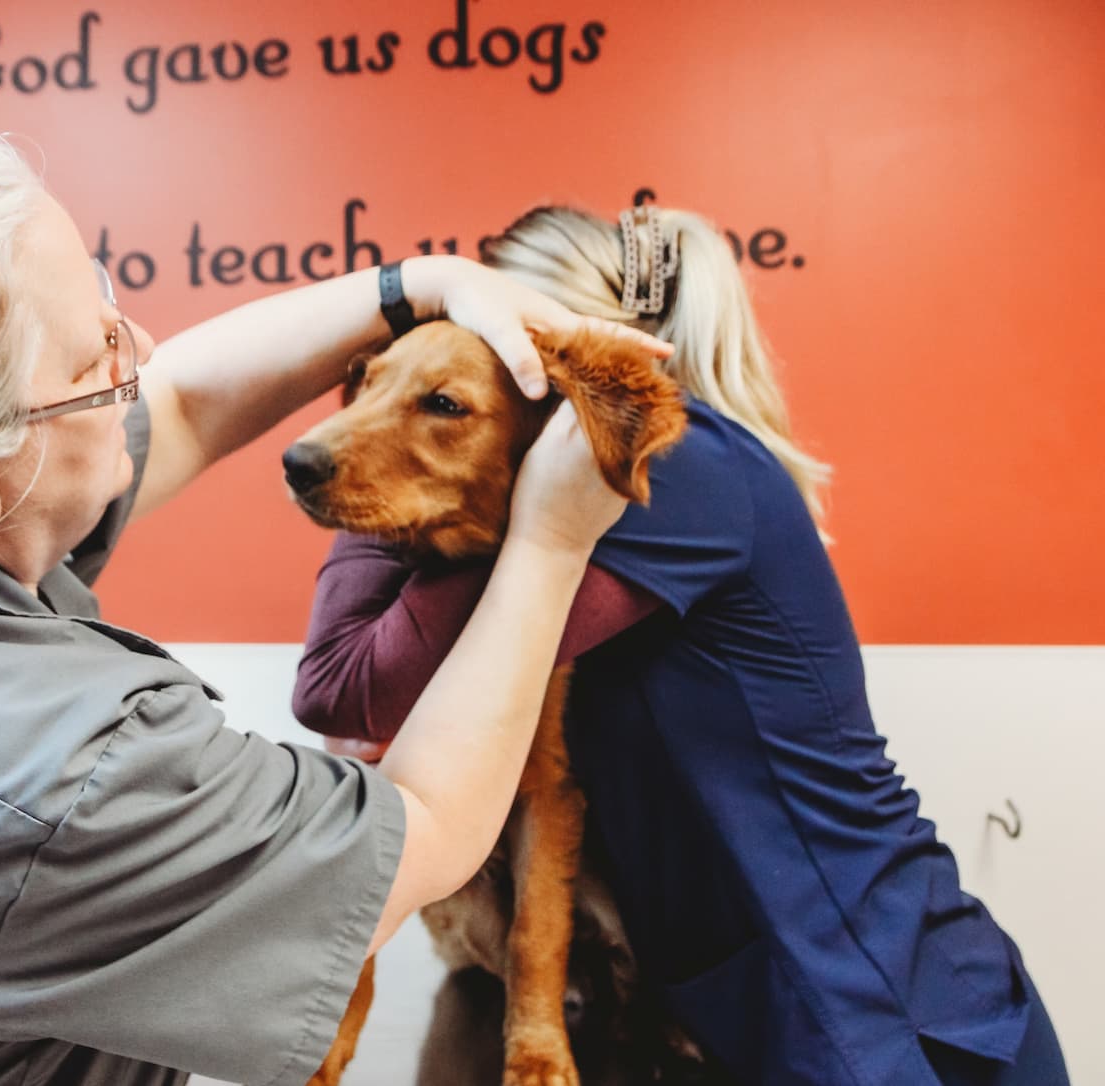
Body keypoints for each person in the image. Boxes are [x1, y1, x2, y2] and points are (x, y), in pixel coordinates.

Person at [0, 126, 674, 1085]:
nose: (144, 348)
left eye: (110, 304)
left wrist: (417, 284)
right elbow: (421, 834)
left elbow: (180, 404)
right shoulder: (52, 761)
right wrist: (551, 541)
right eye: (96, 353)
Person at [292, 205, 1072, 1086]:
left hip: (880, 1003)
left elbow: (342, 682)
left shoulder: (669, 472)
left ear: (570, 345)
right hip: (777, 995)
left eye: (488, 320)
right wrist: (386, 412)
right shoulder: (599, 486)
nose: (471, 335)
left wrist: (364, 456)